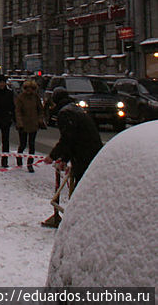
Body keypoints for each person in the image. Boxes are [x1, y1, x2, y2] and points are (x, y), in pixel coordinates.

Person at [41, 86, 103, 227]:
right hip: (91, 152)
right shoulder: (75, 109)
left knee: (82, 188)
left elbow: (68, 139)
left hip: (84, 155)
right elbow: (73, 139)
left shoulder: (66, 113)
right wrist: (64, 159)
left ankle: (81, 219)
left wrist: (53, 156)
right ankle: (82, 216)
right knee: (84, 187)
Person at [14, 78, 45, 172]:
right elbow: (18, 111)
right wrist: (20, 123)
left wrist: (39, 119)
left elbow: (40, 110)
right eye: (27, 88)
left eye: (31, 88)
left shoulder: (35, 97)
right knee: (22, 144)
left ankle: (30, 164)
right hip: (23, 125)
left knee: (32, 145)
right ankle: (19, 161)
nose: (29, 90)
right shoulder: (21, 97)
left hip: (33, 124)